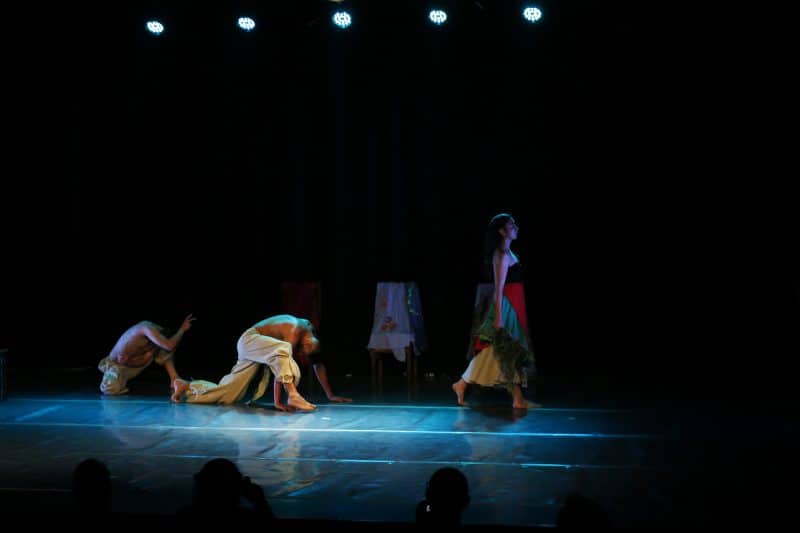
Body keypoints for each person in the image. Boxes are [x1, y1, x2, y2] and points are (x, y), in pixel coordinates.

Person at [177, 314, 349, 411]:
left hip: (258, 348)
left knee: (228, 393)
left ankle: (185, 386)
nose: (302, 356)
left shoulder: (310, 337)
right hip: (250, 340)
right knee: (284, 351)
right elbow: (280, 362)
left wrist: (330, 395)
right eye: (304, 352)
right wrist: (280, 401)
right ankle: (294, 396)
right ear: (307, 344)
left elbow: (317, 363)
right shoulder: (294, 330)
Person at [452, 213, 535, 409]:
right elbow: (498, 288)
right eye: (511, 226)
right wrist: (498, 316)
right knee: (507, 350)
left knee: (498, 352)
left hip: (515, 305)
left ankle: (462, 383)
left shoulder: (509, 253)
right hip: (506, 306)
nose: (516, 228)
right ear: (502, 231)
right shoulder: (501, 255)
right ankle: (517, 398)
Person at [98, 314, 195, 401]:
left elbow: (167, 346)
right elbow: (169, 345)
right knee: (110, 389)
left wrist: (147, 356)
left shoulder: (155, 336)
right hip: (119, 365)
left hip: (138, 362)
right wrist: (182, 329)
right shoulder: (144, 329)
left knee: (164, 347)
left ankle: (174, 378)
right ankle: (113, 377)